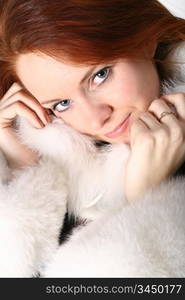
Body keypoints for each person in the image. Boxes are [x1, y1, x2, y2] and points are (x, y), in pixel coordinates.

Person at [0, 0, 185, 277]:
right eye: (62, 104)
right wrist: (26, 171)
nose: (96, 118)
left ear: (144, 40)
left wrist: (147, 205)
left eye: (99, 75)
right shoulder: (66, 182)